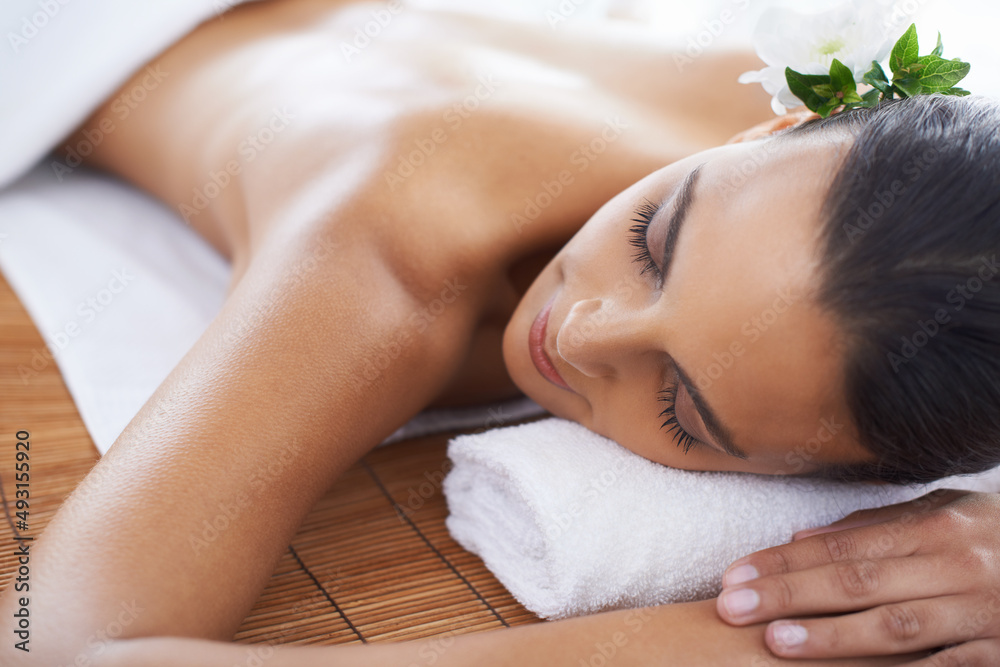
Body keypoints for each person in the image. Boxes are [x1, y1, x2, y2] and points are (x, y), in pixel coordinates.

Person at [1, 0, 998, 664]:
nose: (582, 330)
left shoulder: (854, 185)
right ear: (769, 132)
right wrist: (779, 632)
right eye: (655, 240)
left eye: (678, 403)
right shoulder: (391, 252)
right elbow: (55, 644)